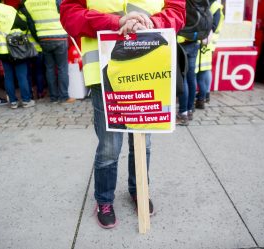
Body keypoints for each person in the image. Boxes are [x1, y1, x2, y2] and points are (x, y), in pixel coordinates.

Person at [60, 0, 185, 229]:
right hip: (105, 71)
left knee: (142, 142)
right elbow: (70, 15)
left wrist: (151, 23)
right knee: (109, 145)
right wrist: (115, 22)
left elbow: (177, 11)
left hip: (149, 67)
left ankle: (139, 191)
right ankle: (104, 200)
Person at [20, 0, 74, 104]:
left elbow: (30, 24)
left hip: (43, 38)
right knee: (62, 68)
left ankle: (53, 97)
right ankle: (64, 97)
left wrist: (38, 38)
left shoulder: (28, 3)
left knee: (49, 69)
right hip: (59, 36)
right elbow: (66, 12)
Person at [0, 0, 35, 109]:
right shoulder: (9, 9)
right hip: (16, 48)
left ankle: (13, 102)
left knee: (8, 77)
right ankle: (26, 100)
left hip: (2, 50)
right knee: (21, 76)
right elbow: (23, 25)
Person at [195, 0, 224, 108]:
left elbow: (213, 26)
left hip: (206, 42)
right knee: (204, 71)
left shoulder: (214, 5)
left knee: (202, 72)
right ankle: (203, 96)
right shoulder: (211, 4)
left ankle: (204, 95)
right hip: (206, 42)